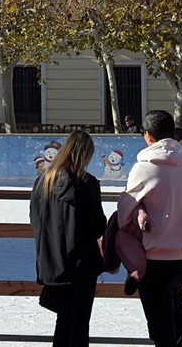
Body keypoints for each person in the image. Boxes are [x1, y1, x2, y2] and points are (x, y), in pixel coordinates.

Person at [124, 109, 182, 347]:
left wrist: (139, 211)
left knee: (161, 330)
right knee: (176, 321)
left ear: (148, 136)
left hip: (154, 259)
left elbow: (123, 212)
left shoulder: (144, 168)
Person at [29, 130, 107, 347]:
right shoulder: (86, 183)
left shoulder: (42, 181)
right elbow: (97, 225)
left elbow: (35, 220)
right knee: (79, 325)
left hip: (52, 263)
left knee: (63, 322)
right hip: (81, 265)